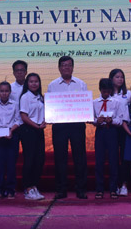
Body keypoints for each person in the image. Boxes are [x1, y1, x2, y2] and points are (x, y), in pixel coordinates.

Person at [48, 56, 89, 199]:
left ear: (73, 67)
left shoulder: (81, 84)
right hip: (60, 126)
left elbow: (85, 105)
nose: (66, 68)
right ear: (59, 68)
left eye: (69, 65)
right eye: (64, 65)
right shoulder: (52, 85)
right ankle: (61, 189)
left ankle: (81, 189)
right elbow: (51, 106)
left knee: (80, 157)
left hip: (77, 126)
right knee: (60, 158)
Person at [0, 81, 21, 199]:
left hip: (12, 135)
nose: (4, 93)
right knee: (0, 165)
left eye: (6, 91)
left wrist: (11, 130)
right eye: (2, 91)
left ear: (10, 92)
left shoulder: (15, 104)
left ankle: (11, 190)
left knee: (11, 165)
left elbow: (18, 120)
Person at [93, 78, 122, 199]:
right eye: (104, 91)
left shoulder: (116, 102)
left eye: (108, 91)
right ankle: (99, 189)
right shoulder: (94, 102)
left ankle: (113, 189)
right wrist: (97, 121)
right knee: (99, 161)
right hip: (100, 131)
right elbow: (91, 119)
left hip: (112, 131)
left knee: (113, 160)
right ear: (100, 89)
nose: (106, 93)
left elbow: (120, 120)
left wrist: (112, 121)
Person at [20, 73, 46, 201]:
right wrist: (36, 126)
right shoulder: (25, 97)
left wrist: (44, 122)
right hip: (29, 131)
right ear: (27, 83)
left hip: (39, 130)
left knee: (39, 160)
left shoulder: (41, 97)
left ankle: (34, 186)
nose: (34, 84)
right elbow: (23, 116)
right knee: (29, 160)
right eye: (31, 81)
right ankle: (27, 188)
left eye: (36, 81)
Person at [109, 68, 131, 196]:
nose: (120, 79)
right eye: (117, 77)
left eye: (122, 77)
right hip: (111, 128)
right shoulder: (108, 94)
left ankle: (124, 184)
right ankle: (114, 185)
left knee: (124, 157)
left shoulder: (128, 94)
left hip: (124, 128)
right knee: (113, 157)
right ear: (111, 79)